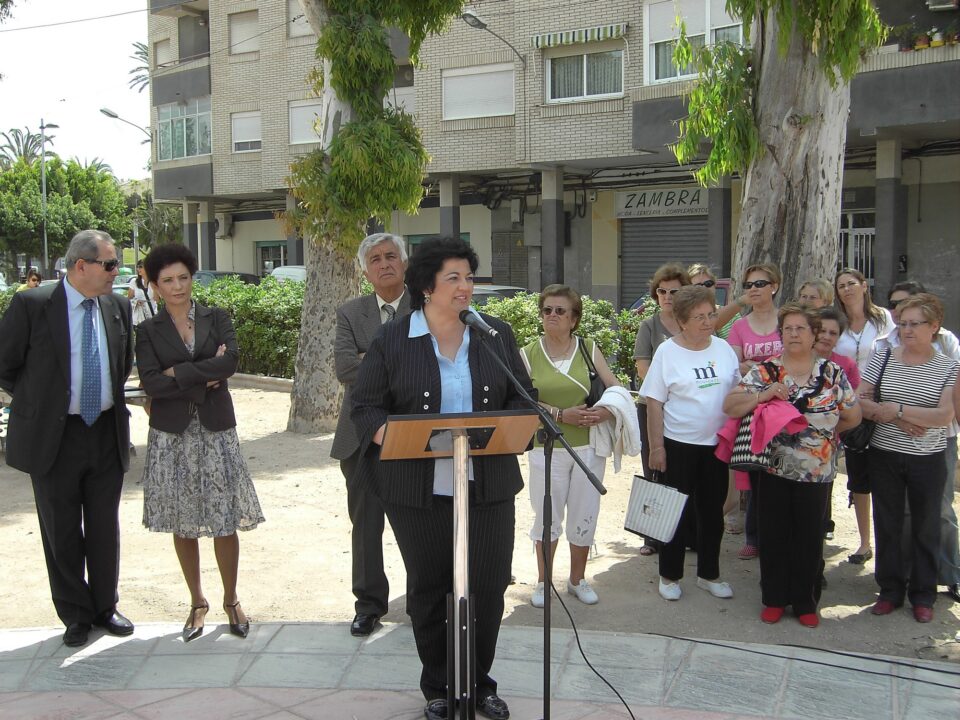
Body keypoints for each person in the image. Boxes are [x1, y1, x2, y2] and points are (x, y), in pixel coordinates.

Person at [350, 236, 532, 720]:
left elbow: (523, 397)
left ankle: (478, 683)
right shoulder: (393, 340)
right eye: (453, 278)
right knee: (430, 590)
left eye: (469, 277)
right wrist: (390, 437)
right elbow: (363, 406)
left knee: (488, 586)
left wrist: (517, 424)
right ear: (426, 287)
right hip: (418, 491)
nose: (465, 287)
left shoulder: (495, 334)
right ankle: (438, 687)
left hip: (488, 485)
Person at [0, 230, 134, 648]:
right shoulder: (33, 304)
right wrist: (39, 405)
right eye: (110, 265)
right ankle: (75, 614)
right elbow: (6, 365)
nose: (117, 272)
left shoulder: (117, 306)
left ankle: (104, 606)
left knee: (103, 527)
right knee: (61, 530)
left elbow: (122, 362)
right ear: (82, 266)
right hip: (54, 436)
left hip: (105, 431)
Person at [136, 244, 264, 642]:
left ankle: (231, 600)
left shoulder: (217, 316)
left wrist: (180, 373)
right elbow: (151, 382)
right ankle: (197, 601)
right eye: (167, 280)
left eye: (184, 277)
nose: (177, 286)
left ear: (193, 277)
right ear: (154, 286)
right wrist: (201, 377)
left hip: (217, 431)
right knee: (183, 521)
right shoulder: (147, 330)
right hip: (172, 435)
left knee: (225, 519)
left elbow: (230, 363)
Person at [724, 303, 860, 627]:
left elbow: (852, 415)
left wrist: (821, 437)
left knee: (809, 537)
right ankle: (773, 598)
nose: (794, 333)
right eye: (788, 328)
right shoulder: (765, 371)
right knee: (773, 535)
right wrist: (763, 395)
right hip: (773, 469)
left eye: (801, 328)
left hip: (818, 472)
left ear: (814, 335)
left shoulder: (831, 373)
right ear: (780, 334)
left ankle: (805, 602)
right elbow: (731, 406)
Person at [856, 294, 957, 623]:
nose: (907, 330)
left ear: (934, 327)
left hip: (928, 458)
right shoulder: (883, 355)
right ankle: (890, 590)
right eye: (903, 324)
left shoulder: (949, 366)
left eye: (915, 324)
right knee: (888, 523)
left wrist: (897, 409)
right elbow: (863, 402)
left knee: (926, 525)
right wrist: (902, 420)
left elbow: (943, 415)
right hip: (884, 454)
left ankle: (923, 593)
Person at [331, 232, 410, 637]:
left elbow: (435, 361)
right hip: (361, 437)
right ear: (365, 271)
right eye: (375, 259)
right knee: (366, 526)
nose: (384, 264)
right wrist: (401, 361)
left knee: (421, 522)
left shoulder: (429, 307)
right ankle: (369, 605)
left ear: (405, 262)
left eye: (391, 256)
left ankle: (423, 599)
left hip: (418, 435)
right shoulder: (350, 313)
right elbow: (345, 369)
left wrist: (373, 358)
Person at [520, 284, 620, 608]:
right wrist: (562, 414)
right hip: (545, 448)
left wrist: (604, 411)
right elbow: (522, 401)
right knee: (546, 516)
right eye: (547, 310)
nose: (552, 316)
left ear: (574, 318)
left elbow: (615, 388)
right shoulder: (527, 353)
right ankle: (542, 581)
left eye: (560, 311)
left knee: (584, 515)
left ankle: (577, 579)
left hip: (588, 447)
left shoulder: (588, 348)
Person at [640, 285, 740, 602]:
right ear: (682, 321)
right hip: (678, 444)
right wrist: (657, 448)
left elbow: (736, 391)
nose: (708, 321)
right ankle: (670, 575)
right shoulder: (667, 352)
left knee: (712, 512)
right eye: (699, 316)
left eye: (711, 314)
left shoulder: (723, 349)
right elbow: (654, 401)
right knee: (675, 513)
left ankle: (709, 574)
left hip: (716, 446)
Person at [834, 268, 895, 566]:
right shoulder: (838, 323)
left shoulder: (883, 319)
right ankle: (864, 543)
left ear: (864, 286)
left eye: (851, 284)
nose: (846, 290)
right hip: (850, 407)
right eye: (841, 286)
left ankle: (890, 545)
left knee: (887, 475)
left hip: (883, 405)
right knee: (859, 477)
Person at [727, 263, 784, 559]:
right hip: (753, 406)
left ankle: (782, 537)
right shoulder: (739, 326)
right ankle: (753, 535)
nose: (754, 289)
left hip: (786, 405)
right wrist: (750, 367)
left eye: (760, 283)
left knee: (784, 472)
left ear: (774, 286)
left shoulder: (787, 320)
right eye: (749, 285)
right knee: (757, 472)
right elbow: (735, 364)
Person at [633, 263, 690, 557]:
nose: (667, 296)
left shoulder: (692, 323)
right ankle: (652, 535)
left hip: (687, 411)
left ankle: (685, 533)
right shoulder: (649, 325)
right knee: (655, 468)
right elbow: (643, 369)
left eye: (674, 291)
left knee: (683, 470)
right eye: (662, 291)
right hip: (653, 407)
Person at [814, 306, 860, 542]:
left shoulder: (845, 366)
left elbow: (852, 408)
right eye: (822, 330)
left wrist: (828, 431)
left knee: (822, 495)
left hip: (829, 442)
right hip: (790, 444)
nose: (826, 336)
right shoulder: (795, 358)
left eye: (833, 333)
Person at [687, 263, 743, 339]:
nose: (704, 288)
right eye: (698, 286)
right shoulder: (686, 317)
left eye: (708, 284)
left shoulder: (732, 314)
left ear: (715, 285)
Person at [127, 259, 157, 325]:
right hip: (139, 318)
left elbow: (156, 300)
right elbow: (128, 299)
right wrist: (136, 302)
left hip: (152, 315)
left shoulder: (153, 282)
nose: (138, 269)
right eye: (137, 267)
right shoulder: (134, 282)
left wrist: (155, 288)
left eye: (140, 267)